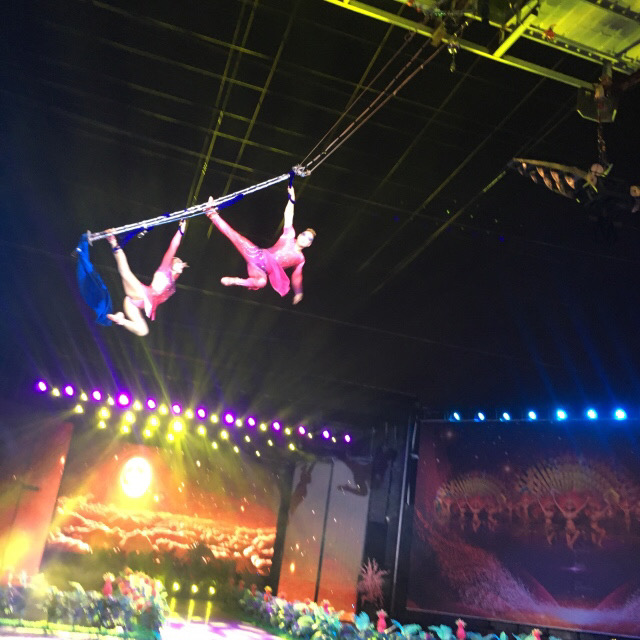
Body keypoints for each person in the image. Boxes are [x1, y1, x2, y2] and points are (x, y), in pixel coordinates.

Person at [206, 185, 314, 304]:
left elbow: (297, 276)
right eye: (304, 234)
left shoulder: (300, 259)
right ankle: (211, 213)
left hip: (259, 271)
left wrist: (298, 292)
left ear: (309, 244)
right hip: (256, 255)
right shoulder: (290, 235)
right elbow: (288, 215)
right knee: (235, 236)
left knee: (262, 282)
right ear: (299, 235)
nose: (305, 238)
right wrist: (292, 198)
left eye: (309, 238)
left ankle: (237, 281)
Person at [106, 220, 188, 336]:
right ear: (171, 263)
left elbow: (177, 272)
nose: (181, 265)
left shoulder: (173, 280)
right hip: (142, 293)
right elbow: (173, 246)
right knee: (125, 272)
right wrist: (181, 231)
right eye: (179, 262)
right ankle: (113, 242)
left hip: (133, 304)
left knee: (143, 331)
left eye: (181, 264)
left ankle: (121, 320)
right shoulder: (165, 268)